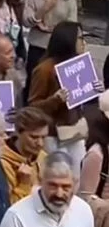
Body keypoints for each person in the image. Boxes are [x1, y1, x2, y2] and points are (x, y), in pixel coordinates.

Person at [29, 21, 104, 177]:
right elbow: (32, 107)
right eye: (80, 38)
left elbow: (85, 100)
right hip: (53, 136)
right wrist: (55, 100)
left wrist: (96, 90)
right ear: (68, 40)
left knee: (77, 177)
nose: (84, 43)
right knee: (56, 177)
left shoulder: (80, 64)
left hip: (75, 131)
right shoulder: (44, 70)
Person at [0, 151, 99, 227]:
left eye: (66, 187)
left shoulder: (83, 210)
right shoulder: (16, 217)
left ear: (75, 184)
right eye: (53, 186)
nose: (59, 194)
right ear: (41, 181)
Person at [23, 0, 77, 97]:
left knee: (57, 84)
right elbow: (26, 21)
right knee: (34, 83)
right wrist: (44, 8)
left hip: (60, 47)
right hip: (38, 46)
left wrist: (56, 30)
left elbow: (72, 24)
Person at [1, 107, 51, 204]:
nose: (40, 143)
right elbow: (9, 209)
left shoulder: (43, 157)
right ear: (18, 132)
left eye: (44, 137)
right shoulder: (2, 164)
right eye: (34, 137)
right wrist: (24, 184)